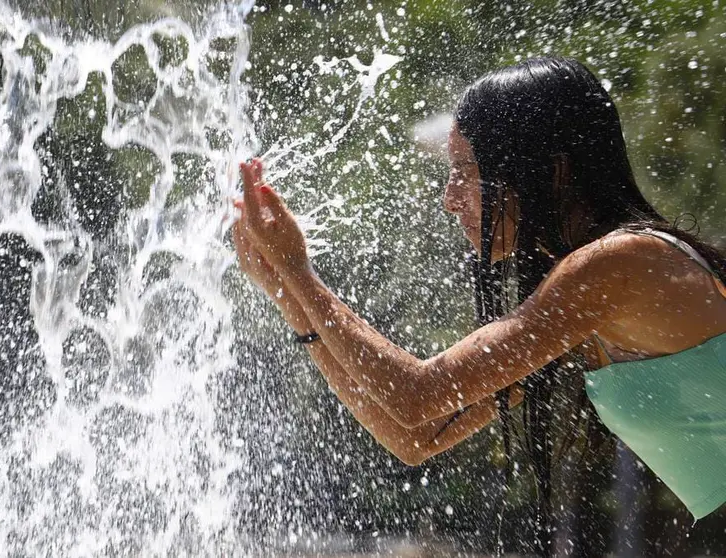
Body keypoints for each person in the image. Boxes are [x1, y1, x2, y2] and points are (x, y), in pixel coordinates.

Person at [232, 56, 726, 552]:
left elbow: (415, 395)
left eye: (466, 170)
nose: (450, 198)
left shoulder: (619, 263)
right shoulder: (582, 301)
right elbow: (416, 437)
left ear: (550, 170)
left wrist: (300, 272)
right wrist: (288, 293)